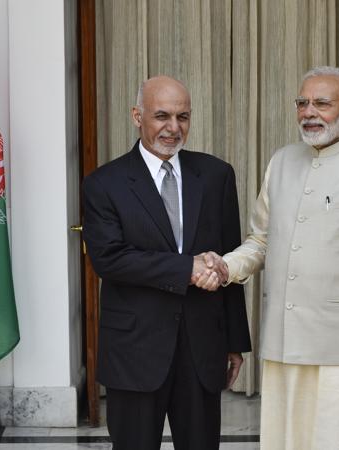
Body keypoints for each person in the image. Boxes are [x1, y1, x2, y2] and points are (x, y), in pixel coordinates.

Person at [197, 66, 339, 450]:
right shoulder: (282, 161)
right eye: (302, 103)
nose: (309, 112)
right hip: (284, 346)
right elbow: (261, 241)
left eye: (322, 103)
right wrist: (225, 265)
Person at [83, 75, 251, 450]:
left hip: (202, 349)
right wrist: (187, 269)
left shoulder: (216, 175)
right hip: (134, 352)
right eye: (162, 116)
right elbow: (109, 260)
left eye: (183, 117)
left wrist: (235, 342)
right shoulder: (103, 183)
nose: (173, 128)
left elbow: (229, 256)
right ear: (136, 116)